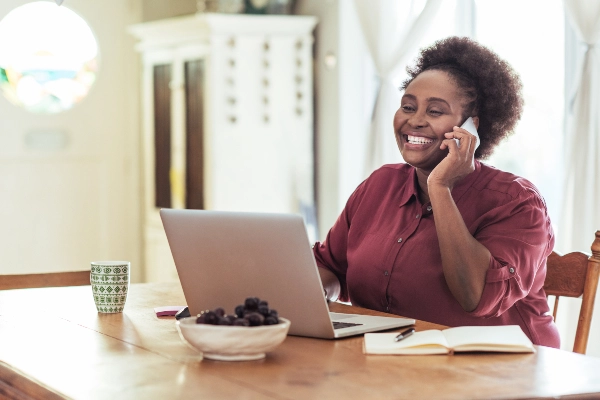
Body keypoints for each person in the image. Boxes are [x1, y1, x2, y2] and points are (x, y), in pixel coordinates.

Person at [313, 36, 560, 348]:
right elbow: (330, 267)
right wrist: (311, 293)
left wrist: (440, 187)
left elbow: (477, 297)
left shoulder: (516, 203)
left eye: (435, 111)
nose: (414, 121)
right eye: (408, 106)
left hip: (503, 375)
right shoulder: (380, 185)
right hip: (394, 366)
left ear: (471, 127)